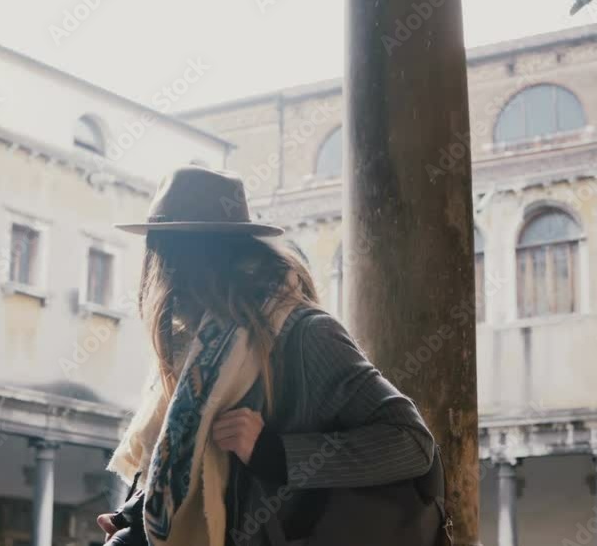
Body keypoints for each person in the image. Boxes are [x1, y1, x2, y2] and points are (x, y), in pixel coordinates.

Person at [98, 166, 438, 546]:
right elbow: (190, 459)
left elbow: (411, 443)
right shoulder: (195, 345)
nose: (163, 275)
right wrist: (137, 512)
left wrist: (274, 453)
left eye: (171, 254)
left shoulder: (305, 333)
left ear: (205, 258)